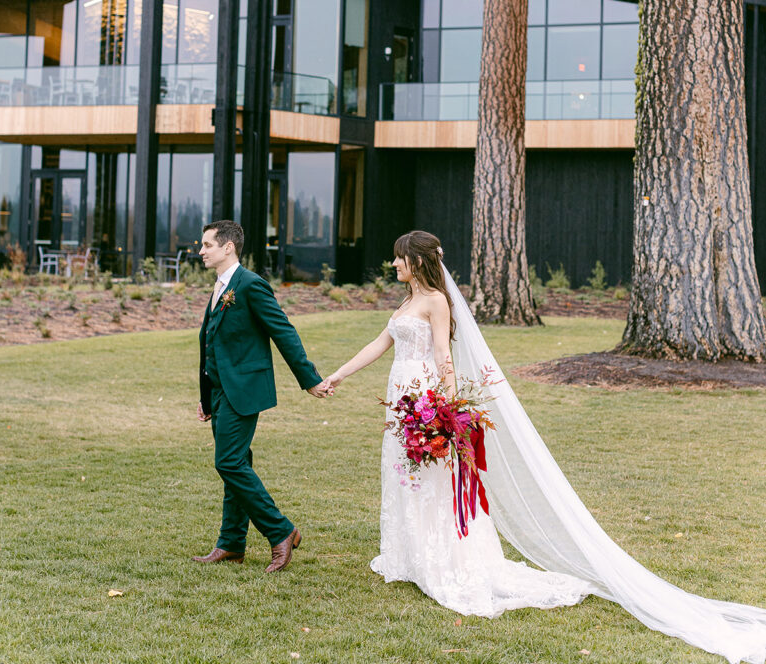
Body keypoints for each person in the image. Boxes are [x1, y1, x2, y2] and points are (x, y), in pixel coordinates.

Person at [324, 230, 766, 663]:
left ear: (417, 261)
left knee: (435, 479)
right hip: (400, 400)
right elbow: (379, 344)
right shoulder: (406, 302)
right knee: (406, 473)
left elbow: (443, 355)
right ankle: (410, 555)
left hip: (425, 398)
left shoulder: (436, 301)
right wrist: (339, 375)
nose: (394, 264)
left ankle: (442, 560)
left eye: (399, 258)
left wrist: (448, 410)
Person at [193, 220, 329, 572]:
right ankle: (232, 543)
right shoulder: (220, 287)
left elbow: (283, 332)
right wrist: (207, 397)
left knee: (229, 463)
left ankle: (282, 531)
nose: (201, 251)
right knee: (237, 463)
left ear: (228, 248)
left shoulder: (251, 285)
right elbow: (211, 343)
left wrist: (309, 379)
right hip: (221, 392)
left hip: (244, 390)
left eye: (207, 245)